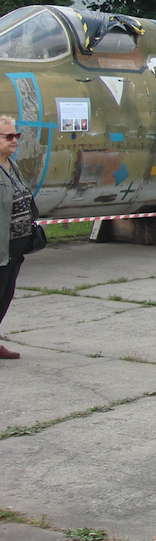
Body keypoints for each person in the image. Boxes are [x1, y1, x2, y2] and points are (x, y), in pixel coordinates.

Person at [0, 116, 34, 359]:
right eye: (8, 137)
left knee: (6, 294)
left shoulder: (12, 165)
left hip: (14, 248)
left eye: (16, 136)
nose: (14, 141)